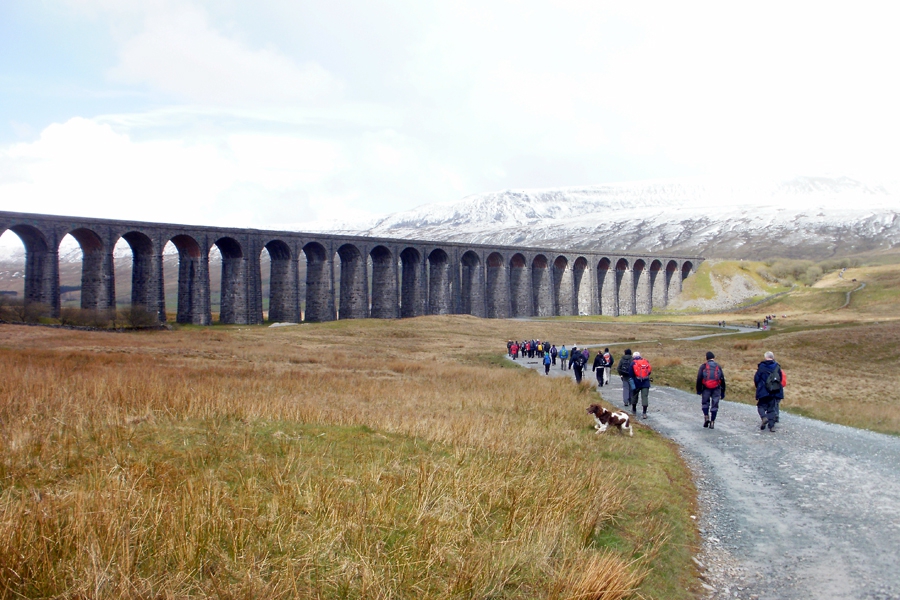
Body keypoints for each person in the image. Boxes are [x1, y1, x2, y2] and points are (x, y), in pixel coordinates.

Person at [753, 351, 783, 432]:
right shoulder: (777, 366)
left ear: (765, 357)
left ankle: (764, 417)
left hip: (763, 390)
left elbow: (756, 378)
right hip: (774, 390)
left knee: (761, 406)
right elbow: (780, 378)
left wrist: (758, 387)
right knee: (772, 408)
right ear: (772, 357)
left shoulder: (761, 366)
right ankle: (772, 426)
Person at [695, 351, 726, 429]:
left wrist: (699, 389)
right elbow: (722, 379)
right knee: (714, 405)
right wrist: (723, 391)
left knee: (705, 403)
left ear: (706, 358)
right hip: (717, 388)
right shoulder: (718, 366)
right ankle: (712, 422)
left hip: (706, 388)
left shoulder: (703, 366)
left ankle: (706, 417)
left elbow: (699, 378)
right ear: (713, 358)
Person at [630, 351, 652, 419]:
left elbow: (630, 374)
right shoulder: (646, 361)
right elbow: (649, 371)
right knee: (644, 397)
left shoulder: (633, 363)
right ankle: (644, 413)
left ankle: (634, 411)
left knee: (634, 396)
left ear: (633, 357)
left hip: (636, 383)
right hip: (645, 383)